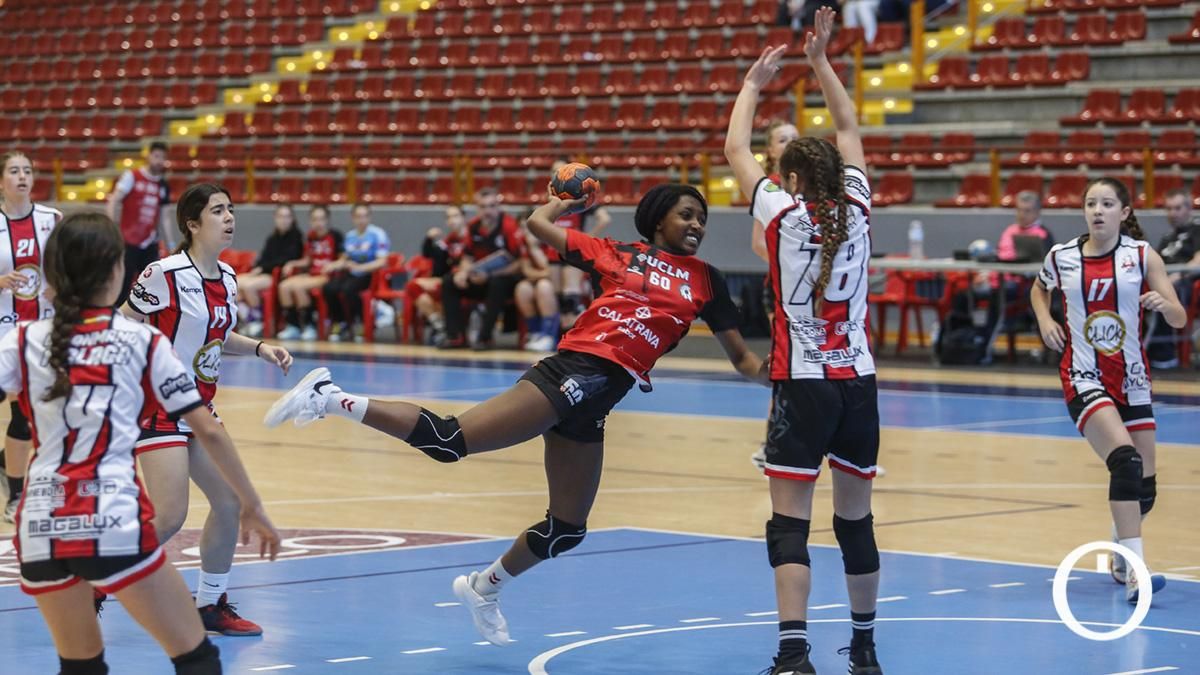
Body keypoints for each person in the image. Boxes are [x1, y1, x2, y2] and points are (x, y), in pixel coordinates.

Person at [263, 183, 768, 647]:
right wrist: (565, 198)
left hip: (598, 399)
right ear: (659, 221)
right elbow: (538, 223)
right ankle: (329, 397)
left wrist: (790, 369)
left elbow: (746, 362)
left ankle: (483, 588)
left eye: (702, 217)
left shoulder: (708, 281)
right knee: (449, 441)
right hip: (571, 371)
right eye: (687, 215)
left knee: (567, 528)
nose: (698, 224)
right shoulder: (617, 254)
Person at [1, 211, 280, 675]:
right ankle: (209, 606)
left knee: (80, 666)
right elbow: (207, 428)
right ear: (116, 272)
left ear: (52, 274)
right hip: (110, 519)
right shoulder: (141, 340)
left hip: (41, 527)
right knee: (196, 659)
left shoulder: (22, 340)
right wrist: (251, 503)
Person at [725, 13, 883, 674]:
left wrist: (755, 84)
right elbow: (850, 129)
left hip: (804, 383)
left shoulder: (783, 215)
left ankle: (794, 654)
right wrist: (822, 64)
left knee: (789, 523)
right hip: (859, 383)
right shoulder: (860, 200)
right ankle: (866, 648)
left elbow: (735, 149)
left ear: (790, 179)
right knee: (856, 523)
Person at [124, 184, 294, 636]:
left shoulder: (228, 277)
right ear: (193, 224)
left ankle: (210, 604)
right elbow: (124, 325)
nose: (229, 217)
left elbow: (215, 337)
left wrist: (260, 348)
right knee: (170, 516)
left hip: (200, 407)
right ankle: (99, 579)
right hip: (157, 407)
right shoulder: (163, 273)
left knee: (229, 502)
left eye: (231, 209)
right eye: (218, 211)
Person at [1032, 177, 1184, 605]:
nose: (1098, 210)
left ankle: (1121, 548)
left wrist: (1164, 304)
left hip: (1132, 378)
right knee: (1125, 462)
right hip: (1083, 375)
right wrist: (1045, 321)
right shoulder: (1061, 256)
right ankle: (1136, 572)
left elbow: (1178, 318)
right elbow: (1038, 288)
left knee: (1145, 488)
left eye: (1107, 203)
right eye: (1091, 203)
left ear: (1125, 212)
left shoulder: (1141, 255)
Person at [0, 151, 61, 523]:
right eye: (14, 171)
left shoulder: (52, 220)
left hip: (41, 331)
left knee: (24, 412)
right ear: (2, 181)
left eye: (27, 170)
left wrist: (61, 286)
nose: (22, 176)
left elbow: (67, 265)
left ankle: (17, 493)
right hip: (2, 330)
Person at [748, 120, 800, 472]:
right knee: (787, 365)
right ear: (770, 151)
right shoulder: (770, 189)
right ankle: (772, 442)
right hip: (781, 290)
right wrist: (794, 262)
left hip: (809, 291)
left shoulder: (814, 185)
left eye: (797, 138)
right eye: (783, 139)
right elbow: (756, 243)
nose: (791, 143)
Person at [438, 187, 525, 350]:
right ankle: (455, 336)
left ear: (498, 207)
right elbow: (467, 256)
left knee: (497, 283)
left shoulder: (509, 227)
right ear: (478, 208)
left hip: (505, 280)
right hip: (480, 277)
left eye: (492, 206)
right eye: (483, 207)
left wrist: (491, 274)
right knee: (449, 282)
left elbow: (520, 263)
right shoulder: (473, 227)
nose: (488, 211)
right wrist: (463, 273)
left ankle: (484, 338)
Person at [547, 159, 612, 330]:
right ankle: (564, 334)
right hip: (553, 252)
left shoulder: (580, 197)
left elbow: (604, 218)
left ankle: (579, 331)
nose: (557, 174)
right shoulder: (550, 199)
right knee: (558, 295)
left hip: (572, 249)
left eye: (560, 170)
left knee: (570, 292)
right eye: (554, 171)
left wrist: (587, 238)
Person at [107, 141, 171, 308]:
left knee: (153, 283)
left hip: (149, 241)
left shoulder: (163, 185)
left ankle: (148, 317)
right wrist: (111, 228)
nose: (159, 161)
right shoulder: (132, 176)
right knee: (123, 281)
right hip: (128, 240)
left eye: (162, 158)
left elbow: (165, 217)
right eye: (156, 156)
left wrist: (170, 244)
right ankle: (117, 315)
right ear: (148, 156)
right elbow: (114, 200)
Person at [1146, 187, 1200, 368]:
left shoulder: (1197, 231)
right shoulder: (1167, 238)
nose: (1173, 213)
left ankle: (1163, 353)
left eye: (1177, 208)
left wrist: (1177, 275)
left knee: (1165, 292)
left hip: (1185, 284)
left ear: (1188, 208)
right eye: (1169, 209)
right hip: (1162, 281)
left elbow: (1197, 262)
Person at [321, 204, 391, 343]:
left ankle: (363, 322)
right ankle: (340, 322)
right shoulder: (350, 236)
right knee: (329, 288)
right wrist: (334, 265)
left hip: (370, 275)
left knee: (349, 290)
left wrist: (361, 268)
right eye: (358, 216)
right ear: (353, 218)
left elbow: (382, 261)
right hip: (352, 273)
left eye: (365, 216)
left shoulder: (378, 234)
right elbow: (345, 258)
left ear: (369, 217)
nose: (362, 220)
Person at [276, 205, 342, 341]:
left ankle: (310, 325)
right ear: (311, 221)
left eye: (321, 219)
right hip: (312, 273)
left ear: (327, 220)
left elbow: (344, 258)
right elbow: (307, 260)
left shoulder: (335, 236)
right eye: (315, 219)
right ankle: (292, 325)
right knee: (284, 286)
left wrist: (334, 264)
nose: (318, 223)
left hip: (328, 276)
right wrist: (293, 263)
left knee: (298, 287)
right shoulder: (311, 237)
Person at [236, 204, 303, 338]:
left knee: (248, 286)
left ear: (292, 219)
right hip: (263, 272)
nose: (283, 220)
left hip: (275, 276)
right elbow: (264, 257)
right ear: (275, 218)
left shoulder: (296, 237)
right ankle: (247, 318)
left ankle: (258, 320)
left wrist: (263, 268)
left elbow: (286, 259)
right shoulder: (272, 238)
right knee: (235, 282)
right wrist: (258, 267)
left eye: (287, 217)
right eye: (280, 216)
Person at [409, 206, 469, 345]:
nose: (452, 220)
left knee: (443, 289)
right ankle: (439, 324)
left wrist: (441, 279)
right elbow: (428, 254)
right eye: (448, 217)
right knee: (413, 286)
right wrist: (429, 239)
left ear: (463, 218)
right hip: (447, 282)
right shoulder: (449, 241)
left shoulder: (471, 238)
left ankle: (447, 327)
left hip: (465, 283)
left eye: (455, 216)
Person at [515, 219, 559, 352]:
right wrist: (542, 275)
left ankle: (548, 335)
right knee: (522, 289)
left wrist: (534, 249)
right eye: (522, 228)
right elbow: (527, 271)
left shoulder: (552, 239)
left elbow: (552, 272)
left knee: (543, 286)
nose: (525, 232)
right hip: (538, 281)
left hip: (561, 285)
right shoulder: (523, 243)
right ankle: (535, 333)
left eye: (528, 228)